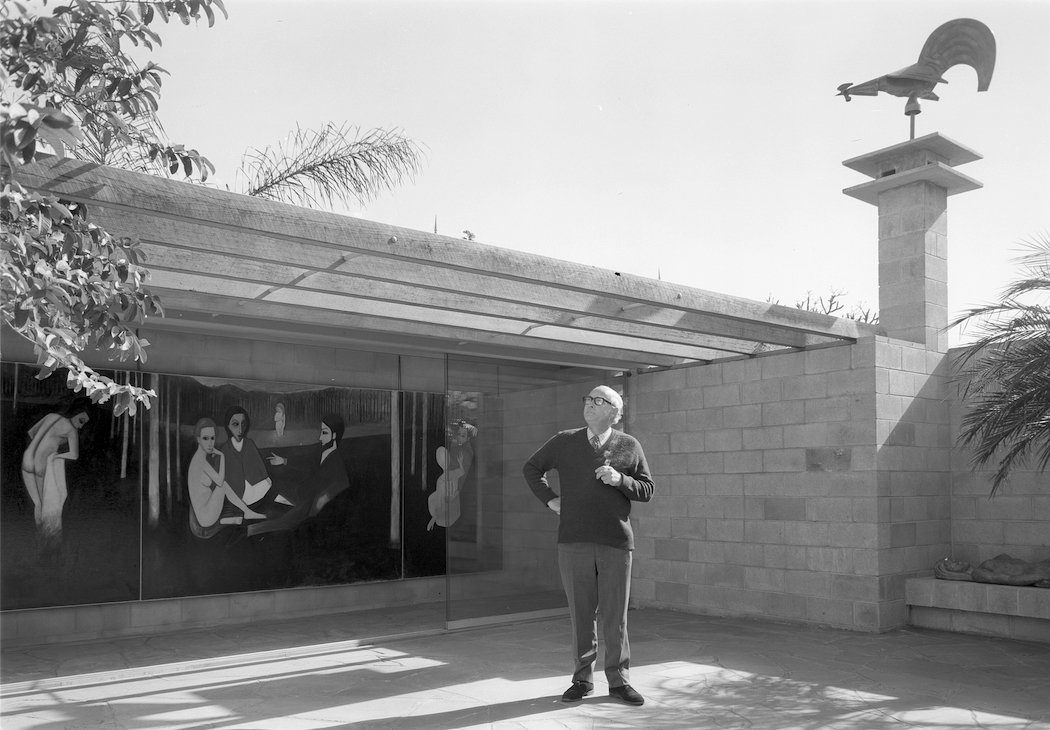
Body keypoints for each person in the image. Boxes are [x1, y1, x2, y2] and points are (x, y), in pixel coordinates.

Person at [523, 385, 654, 707]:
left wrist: (620, 480)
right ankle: (582, 680)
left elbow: (647, 490)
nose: (590, 405)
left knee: (614, 617)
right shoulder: (564, 441)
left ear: (615, 412)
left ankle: (619, 682)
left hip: (615, 541)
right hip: (573, 540)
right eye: (588, 399)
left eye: (600, 401)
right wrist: (551, 500)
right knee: (582, 615)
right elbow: (531, 468)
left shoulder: (628, 445)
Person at [249, 413, 350, 536]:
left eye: (324, 433)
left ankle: (250, 530)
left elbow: (343, 482)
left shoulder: (336, 460)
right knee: (278, 485)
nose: (319, 437)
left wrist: (325, 496)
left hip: (310, 501)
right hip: (301, 491)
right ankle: (253, 513)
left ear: (334, 435)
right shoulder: (321, 450)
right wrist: (283, 460)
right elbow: (305, 460)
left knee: (286, 521)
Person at [21, 402, 91, 546]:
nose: (81, 426)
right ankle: (46, 542)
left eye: (84, 424)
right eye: (81, 421)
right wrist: (56, 456)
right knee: (44, 505)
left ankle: (39, 541)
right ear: (75, 413)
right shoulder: (71, 430)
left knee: (37, 504)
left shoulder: (51, 416)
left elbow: (31, 432)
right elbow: (74, 455)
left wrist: (42, 445)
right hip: (41, 464)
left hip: (27, 461)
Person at [187, 418, 266, 538]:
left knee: (222, 488)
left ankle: (233, 518)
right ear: (198, 439)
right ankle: (247, 512)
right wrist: (222, 456)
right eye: (205, 438)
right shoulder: (200, 462)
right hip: (205, 518)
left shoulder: (199, 459)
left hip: (204, 513)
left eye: (212, 438)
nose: (210, 443)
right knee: (222, 485)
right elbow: (220, 481)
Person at [220, 406, 280, 507]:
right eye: (235, 424)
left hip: (257, 486)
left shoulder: (249, 444)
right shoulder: (224, 451)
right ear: (228, 426)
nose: (240, 430)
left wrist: (266, 478)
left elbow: (259, 463)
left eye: (243, 424)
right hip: (238, 494)